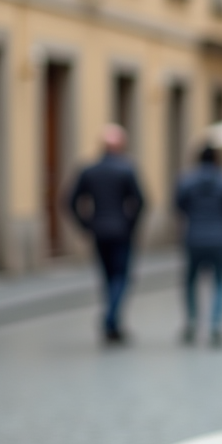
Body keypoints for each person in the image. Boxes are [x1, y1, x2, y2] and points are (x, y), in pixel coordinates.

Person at [68, 124, 144, 345]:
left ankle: (114, 324)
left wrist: (85, 225)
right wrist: (131, 225)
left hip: (99, 231)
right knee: (121, 277)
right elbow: (140, 201)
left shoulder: (89, 169)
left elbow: (70, 201)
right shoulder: (126, 169)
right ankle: (111, 318)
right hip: (121, 231)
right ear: (120, 146)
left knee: (108, 277)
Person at [174, 146, 222, 346]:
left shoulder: (186, 180)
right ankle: (216, 324)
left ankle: (192, 321)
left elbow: (178, 205)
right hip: (220, 237)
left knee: (191, 281)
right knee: (219, 281)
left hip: (194, 237)